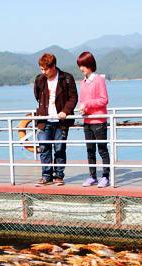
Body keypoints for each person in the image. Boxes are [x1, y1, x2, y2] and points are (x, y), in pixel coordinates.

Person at [33, 53, 78, 186]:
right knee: (44, 147)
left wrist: (65, 111)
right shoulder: (40, 80)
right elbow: (37, 96)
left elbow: (73, 97)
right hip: (44, 120)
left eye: (45, 69)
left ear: (53, 67)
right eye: (41, 69)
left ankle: (59, 175)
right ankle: (46, 176)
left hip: (60, 121)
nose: (43, 72)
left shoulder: (66, 78)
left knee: (60, 148)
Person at [75, 52, 111, 188]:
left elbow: (104, 100)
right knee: (90, 150)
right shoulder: (83, 82)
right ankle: (92, 176)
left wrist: (87, 104)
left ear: (90, 65)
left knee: (102, 150)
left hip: (99, 121)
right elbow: (82, 100)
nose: (81, 68)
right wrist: (82, 108)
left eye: (83, 65)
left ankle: (106, 177)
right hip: (87, 121)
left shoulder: (99, 80)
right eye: (80, 65)